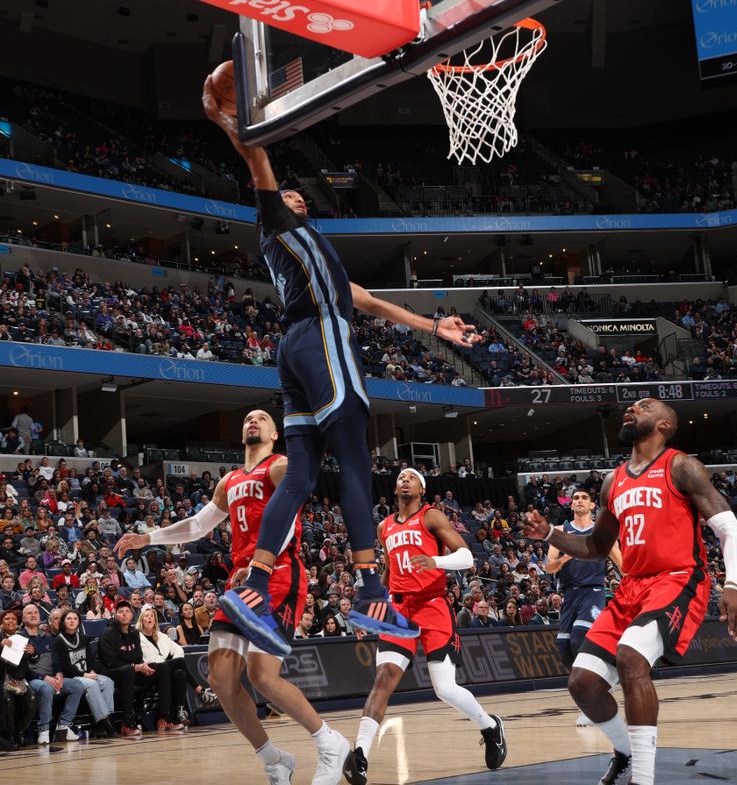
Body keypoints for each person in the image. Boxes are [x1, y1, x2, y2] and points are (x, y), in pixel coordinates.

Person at [201, 79, 481, 655]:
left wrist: (435, 328)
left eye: (303, 199)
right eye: (292, 197)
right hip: (321, 337)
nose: (298, 200)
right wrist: (230, 119)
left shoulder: (313, 257)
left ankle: (253, 583)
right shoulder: (279, 222)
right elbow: (257, 160)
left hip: (294, 349)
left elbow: (372, 301)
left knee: (301, 473)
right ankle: (369, 587)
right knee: (354, 452)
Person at [115, 408, 350, 784]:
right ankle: (275, 760)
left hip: (276, 576)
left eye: (262, 419)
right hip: (241, 585)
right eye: (247, 419)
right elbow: (198, 524)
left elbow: (288, 520)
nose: (252, 421)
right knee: (222, 680)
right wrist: (148, 538)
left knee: (262, 676)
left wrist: (261, 563)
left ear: (275, 434)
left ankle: (330, 742)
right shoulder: (230, 480)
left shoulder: (279, 465)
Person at [524, 398, 737, 785]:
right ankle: (625, 752)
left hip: (678, 578)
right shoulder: (614, 481)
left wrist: (732, 584)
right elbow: (596, 548)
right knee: (583, 683)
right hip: (631, 587)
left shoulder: (681, 466)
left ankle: (643, 779)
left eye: (643, 407)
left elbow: (729, 529)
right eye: (630, 407)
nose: (632, 409)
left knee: (630, 657)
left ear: (664, 425)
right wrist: (550, 534)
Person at [343, 469, 506, 785]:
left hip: (432, 605)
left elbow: (466, 556)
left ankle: (489, 726)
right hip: (400, 610)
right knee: (383, 680)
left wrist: (436, 562)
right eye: (401, 477)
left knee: (444, 688)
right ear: (395, 487)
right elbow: (390, 570)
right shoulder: (385, 526)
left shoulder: (431, 517)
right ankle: (359, 755)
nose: (405, 479)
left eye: (411, 477)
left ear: (422, 488)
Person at [545, 486, 623, 726]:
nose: (579, 500)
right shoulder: (560, 531)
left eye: (584, 498)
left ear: (592, 506)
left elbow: (623, 565)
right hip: (569, 595)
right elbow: (548, 567)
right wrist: (567, 556)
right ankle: (589, 699)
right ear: (571, 505)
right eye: (576, 498)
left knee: (580, 640)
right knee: (565, 650)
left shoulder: (602, 534)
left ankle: (610, 674)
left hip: (594, 592)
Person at [95, 600, 183, 735]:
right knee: (128, 670)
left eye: (127, 611)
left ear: (132, 615)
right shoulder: (109, 633)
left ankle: (164, 714)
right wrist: (135, 666)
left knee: (163, 667)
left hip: (132, 669)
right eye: (120, 612)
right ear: (115, 615)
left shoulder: (134, 633)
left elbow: (137, 656)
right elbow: (110, 662)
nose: (124, 614)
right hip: (111, 673)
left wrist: (143, 666)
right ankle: (127, 721)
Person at [20, 603, 86, 745]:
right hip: (32, 679)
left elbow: (56, 660)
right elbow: (24, 669)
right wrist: (44, 677)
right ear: (23, 618)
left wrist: (58, 673)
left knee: (77, 685)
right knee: (46, 688)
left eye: (36, 612)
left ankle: (63, 725)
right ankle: (43, 730)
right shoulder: (20, 638)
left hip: (51, 677)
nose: (33, 615)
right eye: (29, 613)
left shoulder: (48, 637)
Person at [52, 609, 116, 738]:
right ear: (63, 622)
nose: (72, 621)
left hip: (86, 674)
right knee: (92, 684)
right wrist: (84, 675)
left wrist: (91, 671)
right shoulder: (59, 640)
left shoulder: (84, 638)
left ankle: (101, 723)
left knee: (108, 682)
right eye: (68, 618)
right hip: (71, 677)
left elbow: (89, 660)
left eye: (75, 619)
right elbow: (64, 666)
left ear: (79, 622)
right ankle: (106, 723)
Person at [0, 609, 37, 750]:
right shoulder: (0, 637)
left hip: (19, 679)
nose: (10, 621)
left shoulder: (22, 638)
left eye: (13, 619)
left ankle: (19, 732)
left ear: (18, 622)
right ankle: (9, 735)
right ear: (2, 623)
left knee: (32, 698)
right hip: (2, 679)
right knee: (7, 700)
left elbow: (33, 660)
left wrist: (33, 653)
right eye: (7, 619)